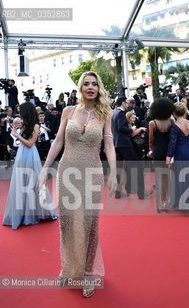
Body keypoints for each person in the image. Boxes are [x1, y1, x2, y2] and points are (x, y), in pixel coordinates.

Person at [37, 71, 117, 298]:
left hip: (92, 174)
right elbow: (59, 140)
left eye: (94, 84)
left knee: (89, 224)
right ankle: (71, 267)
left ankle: (89, 273)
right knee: (68, 223)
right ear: (80, 88)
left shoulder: (105, 114)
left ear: (99, 88)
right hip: (66, 172)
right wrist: (45, 168)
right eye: (86, 84)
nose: (90, 87)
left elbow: (109, 145)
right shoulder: (69, 111)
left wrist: (113, 171)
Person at [2, 102, 58, 230]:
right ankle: (21, 214)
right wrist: (15, 131)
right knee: (21, 182)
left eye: (21, 111)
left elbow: (30, 143)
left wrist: (16, 135)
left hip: (30, 155)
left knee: (33, 182)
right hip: (22, 155)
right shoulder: (25, 124)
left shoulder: (36, 126)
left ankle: (32, 214)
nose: (19, 113)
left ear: (26, 112)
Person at [149, 98, 174, 211]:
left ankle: (161, 201)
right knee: (167, 176)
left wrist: (151, 150)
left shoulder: (152, 123)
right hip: (168, 150)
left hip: (158, 151)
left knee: (159, 176)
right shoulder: (171, 121)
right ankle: (167, 200)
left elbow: (151, 140)